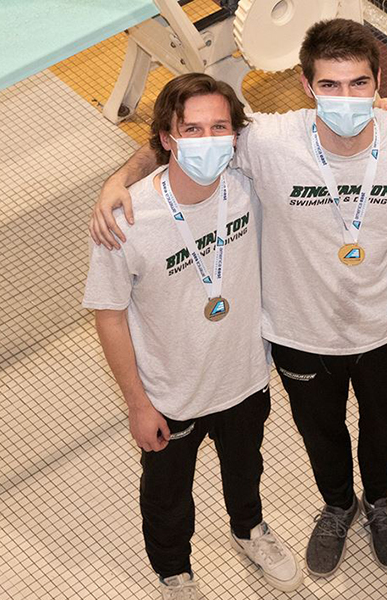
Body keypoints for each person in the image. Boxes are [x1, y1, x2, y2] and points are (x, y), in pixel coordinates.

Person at [90, 19, 387, 579]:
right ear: (306, 84)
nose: (346, 98)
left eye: (359, 84)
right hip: (299, 334)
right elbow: (187, 139)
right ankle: (338, 505)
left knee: (383, 426)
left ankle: (380, 501)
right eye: (331, 85)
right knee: (320, 432)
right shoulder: (268, 140)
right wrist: (116, 183)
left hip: (384, 325)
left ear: (378, 83)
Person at [83, 73, 301, 599]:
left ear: (235, 134)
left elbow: (319, 125)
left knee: (247, 467)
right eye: (192, 129)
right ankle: (173, 570)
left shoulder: (249, 184)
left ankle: (249, 530)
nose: (207, 140)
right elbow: (109, 315)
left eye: (219, 127)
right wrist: (137, 404)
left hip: (245, 375)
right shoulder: (128, 219)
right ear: (166, 138)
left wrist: (380, 100)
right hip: (169, 392)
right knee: (167, 493)